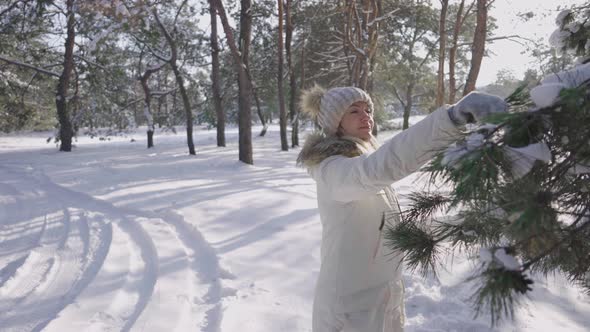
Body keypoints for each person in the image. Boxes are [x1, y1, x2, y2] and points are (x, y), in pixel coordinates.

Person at [296, 85, 507, 332]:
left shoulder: (360, 160)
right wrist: (450, 120)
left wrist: (468, 221)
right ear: (336, 123)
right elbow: (376, 168)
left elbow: (392, 232)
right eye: (354, 111)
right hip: (351, 311)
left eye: (367, 109)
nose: (366, 116)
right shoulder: (334, 170)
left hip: (385, 301)